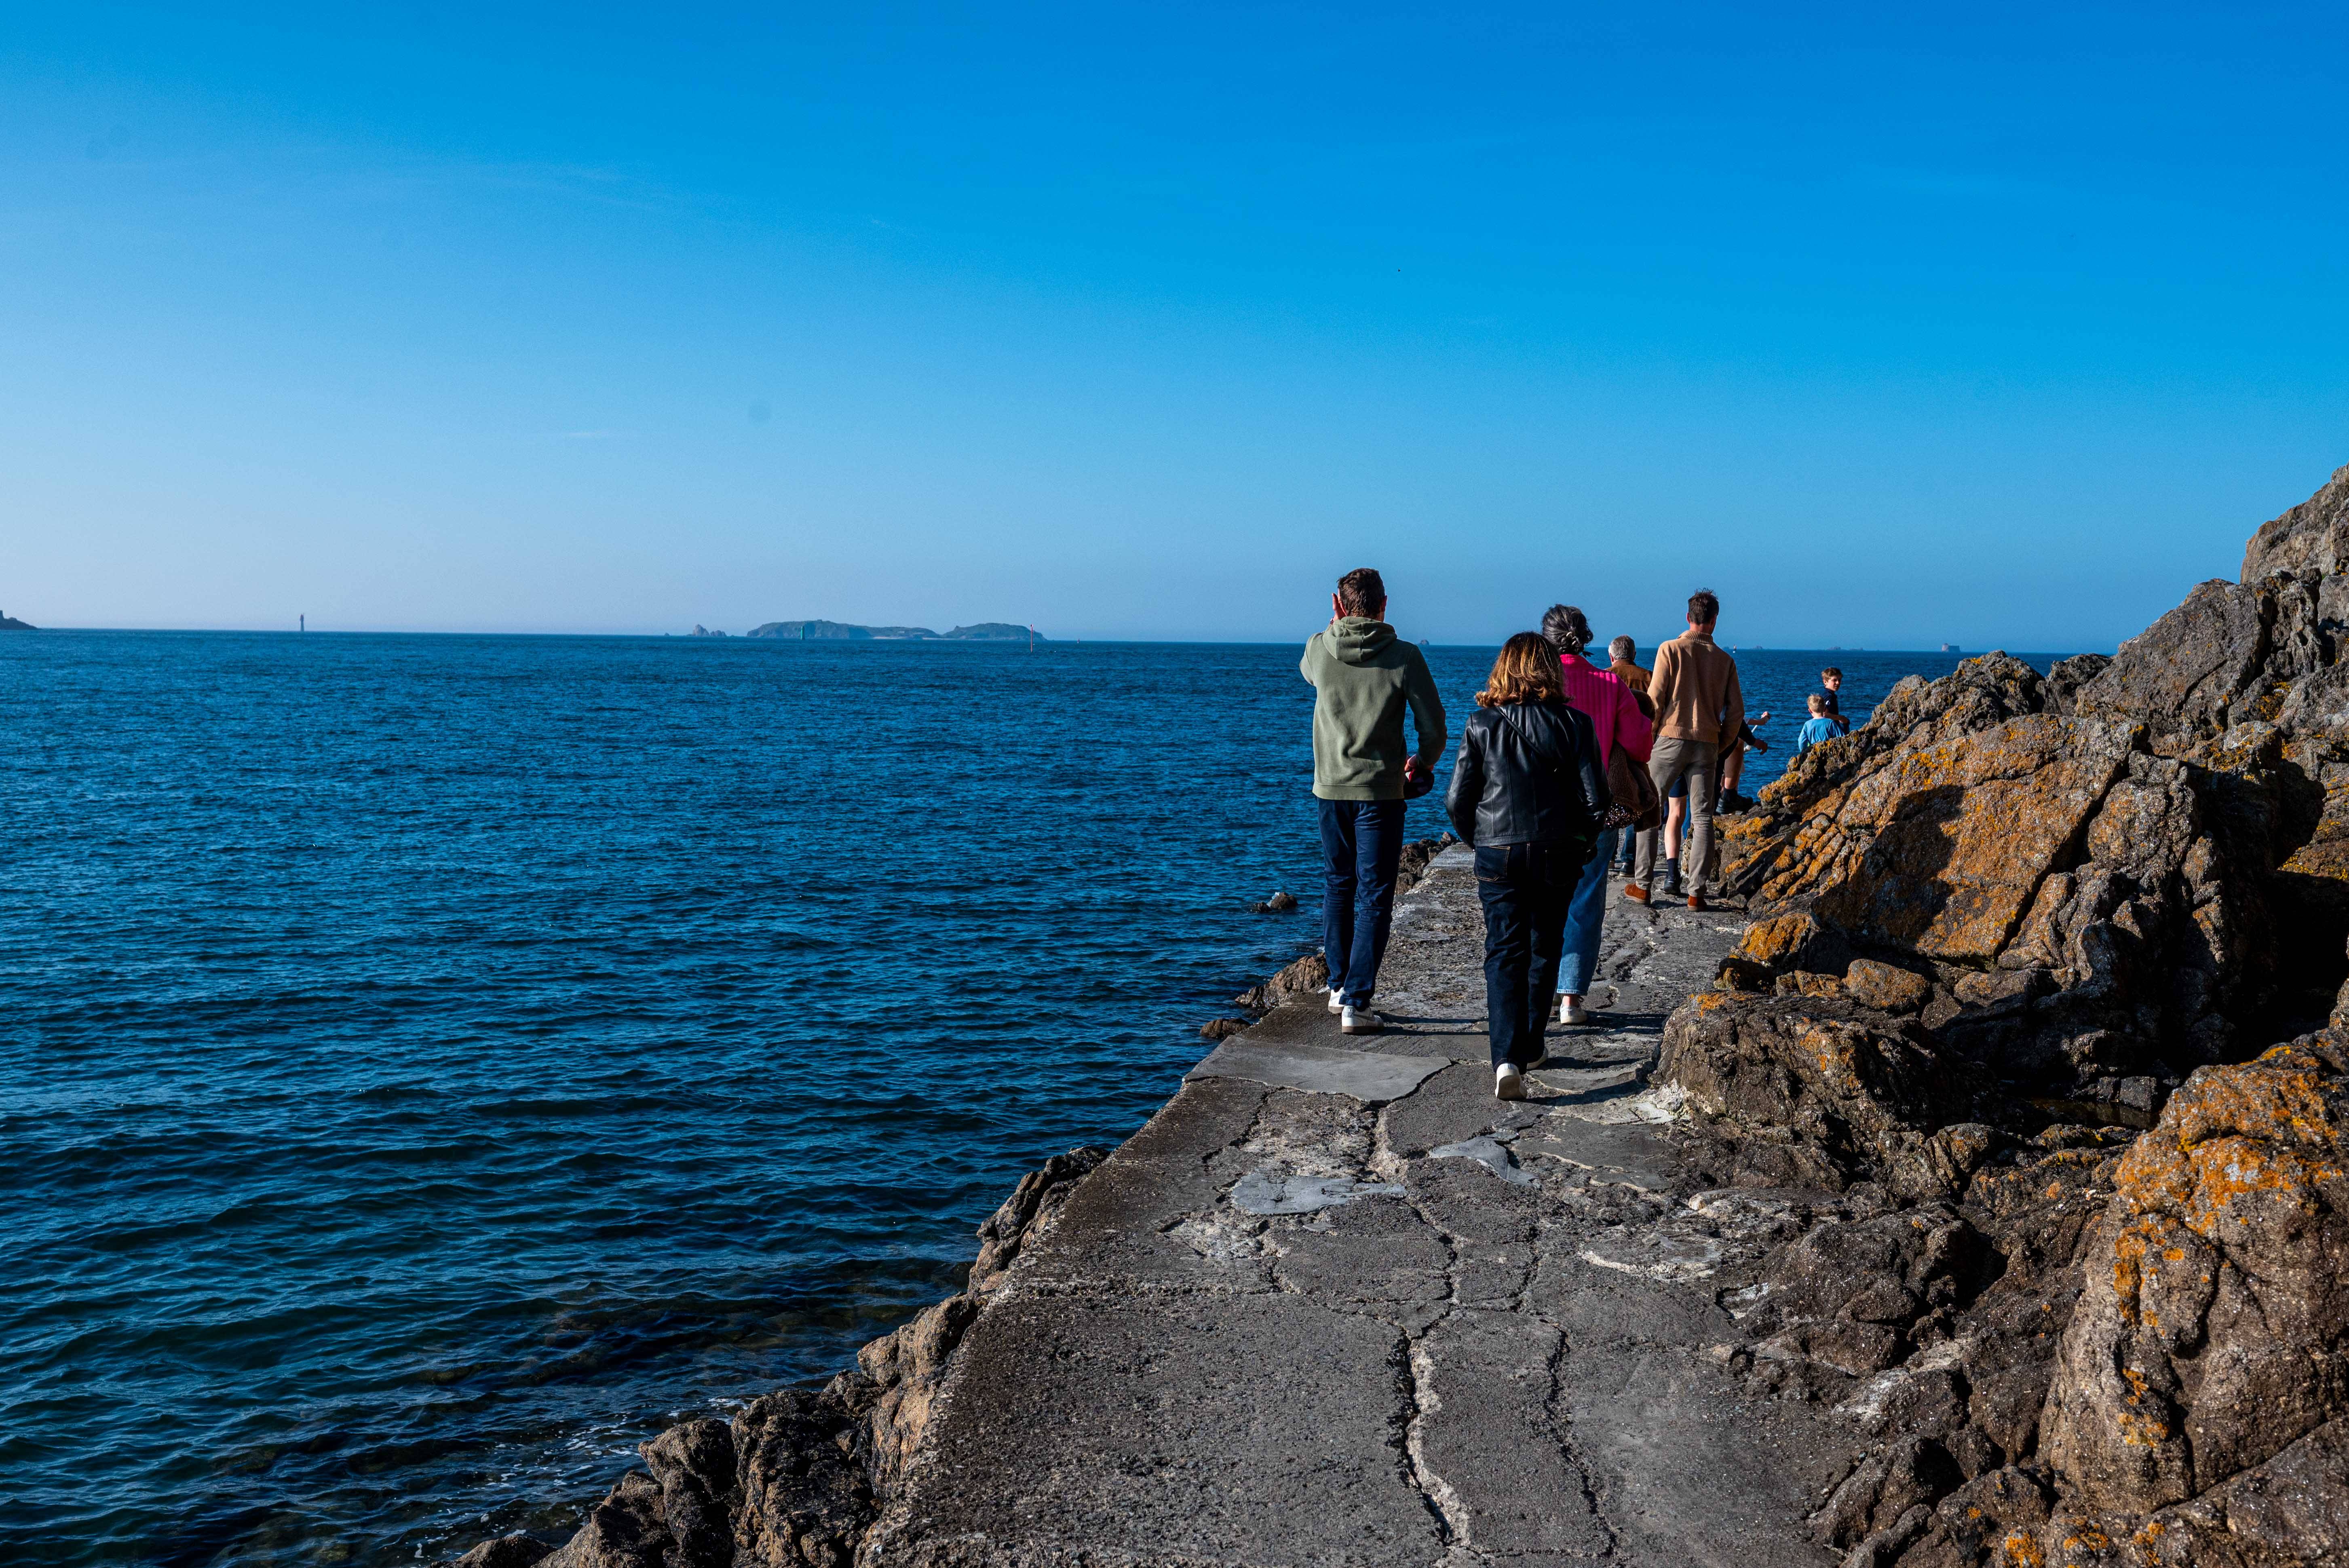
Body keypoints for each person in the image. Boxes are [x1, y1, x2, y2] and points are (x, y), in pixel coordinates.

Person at [1444, 633, 1607, 1099]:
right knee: (1544, 946)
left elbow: (1458, 800)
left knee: (1503, 951)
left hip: (1499, 852)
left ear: (1504, 669)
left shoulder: (1481, 724)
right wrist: (1583, 845)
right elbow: (1598, 802)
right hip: (1557, 851)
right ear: (1550, 670)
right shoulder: (1576, 724)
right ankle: (1533, 1044)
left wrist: (1481, 841)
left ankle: (1505, 1060)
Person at [1301, 567, 1448, 1036]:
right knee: (1375, 895)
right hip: (1382, 793)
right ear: (1385, 604)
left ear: (1338, 605)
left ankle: (1339, 986)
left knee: (1338, 885)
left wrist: (1336, 624)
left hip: (1330, 791)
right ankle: (1358, 1003)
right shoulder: (1404, 657)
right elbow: (1435, 731)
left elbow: (1312, 668)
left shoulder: (1319, 649)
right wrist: (1420, 764)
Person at [1542, 606, 1651, 1026]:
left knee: (1543, 902)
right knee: (1586, 901)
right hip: (1597, 809)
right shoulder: (1610, 684)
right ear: (1585, 639)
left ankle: (1544, 985)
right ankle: (1571, 997)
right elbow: (1641, 745)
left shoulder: (1535, 685)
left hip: (1542, 810)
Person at [1626, 589, 1743, 912]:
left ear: (1688, 617)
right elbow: (1735, 714)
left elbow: (1654, 701)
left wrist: (1647, 741)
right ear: (1714, 621)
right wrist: (1721, 745)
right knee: (1703, 816)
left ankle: (1643, 884)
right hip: (1707, 743)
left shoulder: (1670, 649)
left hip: (1670, 737)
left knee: (1650, 808)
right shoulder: (1725, 660)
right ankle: (1696, 892)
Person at [1606, 635, 1653, 875]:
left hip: (1612, 749)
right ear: (1634, 655)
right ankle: (1629, 859)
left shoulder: (1604, 676)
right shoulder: (1648, 677)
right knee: (1637, 803)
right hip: (1638, 748)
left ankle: (1611, 857)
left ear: (1612, 656)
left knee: (1613, 802)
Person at [1715, 711, 1771, 812]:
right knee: (1733, 783)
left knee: (1720, 783)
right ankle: (1730, 801)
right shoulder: (1741, 718)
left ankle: (1722, 803)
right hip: (1732, 758)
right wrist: (1766, 717)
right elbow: (1761, 722)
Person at [1794, 693, 1839, 758]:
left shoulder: (1808, 724)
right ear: (1825, 709)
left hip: (1813, 754)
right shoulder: (1830, 723)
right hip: (1828, 754)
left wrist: (1805, 752)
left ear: (1810, 711)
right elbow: (1840, 737)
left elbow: (1801, 742)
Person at [1820, 667, 1850, 734]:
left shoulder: (1824, 693)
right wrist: (1840, 718)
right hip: (1830, 729)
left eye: (1840, 680)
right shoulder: (1829, 696)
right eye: (1834, 680)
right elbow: (1825, 714)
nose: (1838, 683)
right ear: (1825, 682)